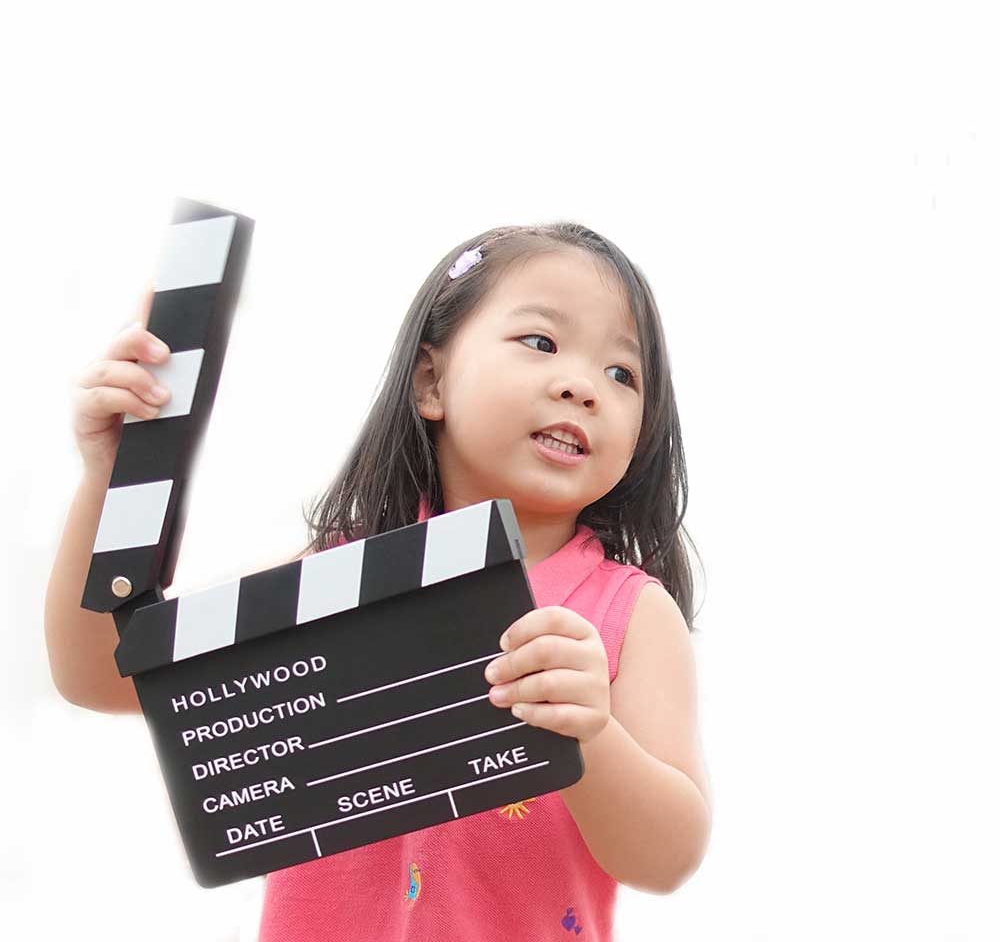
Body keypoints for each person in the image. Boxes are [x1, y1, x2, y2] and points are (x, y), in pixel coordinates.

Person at [44, 221, 713, 941]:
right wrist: (111, 483)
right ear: (431, 381)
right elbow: (103, 675)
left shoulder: (626, 613)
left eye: (623, 374)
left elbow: (667, 859)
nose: (583, 387)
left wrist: (593, 733)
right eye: (542, 342)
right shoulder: (338, 577)